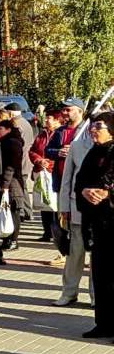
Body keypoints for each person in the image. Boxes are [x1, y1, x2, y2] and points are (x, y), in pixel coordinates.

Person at [74, 111, 114, 339]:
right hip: (99, 224)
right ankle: (104, 323)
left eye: (99, 126)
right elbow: (80, 180)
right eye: (93, 126)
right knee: (101, 274)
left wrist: (108, 194)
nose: (93, 130)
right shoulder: (93, 152)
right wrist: (85, 191)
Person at [54, 107, 95, 308]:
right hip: (77, 208)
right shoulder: (77, 146)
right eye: (94, 125)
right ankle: (69, 292)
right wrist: (64, 207)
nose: (95, 130)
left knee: (99, 256)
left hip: (102, 212)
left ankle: (97, 295)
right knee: (74, 254)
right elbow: (67, 178)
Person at [0, 119, 26, 263]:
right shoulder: (3, 141)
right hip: (7, 181)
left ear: (8, 129)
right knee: (6, 209)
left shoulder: (12, 143)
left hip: (12, 182)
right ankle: (6, 239)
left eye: (1, 128)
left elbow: (11, 165)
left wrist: (5, 184)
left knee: (12, 209)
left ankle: (13, 239)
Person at [29, 109, 61, 242]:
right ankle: (46, 232)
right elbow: (32, 151)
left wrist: (49, 163)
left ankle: (57, 233)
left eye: (50, 118)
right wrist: (38, 160)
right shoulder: (42, 134)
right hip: (40, 172)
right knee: (44, 203)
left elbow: (61, 153)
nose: (47, 120)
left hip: (53, 173)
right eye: (47, 118)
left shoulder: (60, 134)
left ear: (57, 120)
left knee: (54, 205)